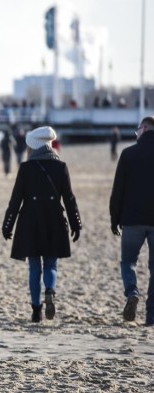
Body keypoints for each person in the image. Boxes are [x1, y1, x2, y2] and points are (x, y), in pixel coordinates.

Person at [1, 126, 82, 323]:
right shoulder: (61, 167)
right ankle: (50, 291)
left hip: (31, 222)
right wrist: (76, 223)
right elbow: (69, 199)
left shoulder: (26, 168)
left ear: (33, 146)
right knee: (51, 264)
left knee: (34, 267)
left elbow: (15, 200)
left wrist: (8, 224)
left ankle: (36, 310)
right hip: (54, 220)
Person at [109, 116, 154, 326]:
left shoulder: (128, 154)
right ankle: (151, 315)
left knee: (128, 261)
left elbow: (118, 190)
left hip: (132, 219)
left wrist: (114, 219)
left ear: (144, 129)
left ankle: (132, 292)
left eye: (138, 129)